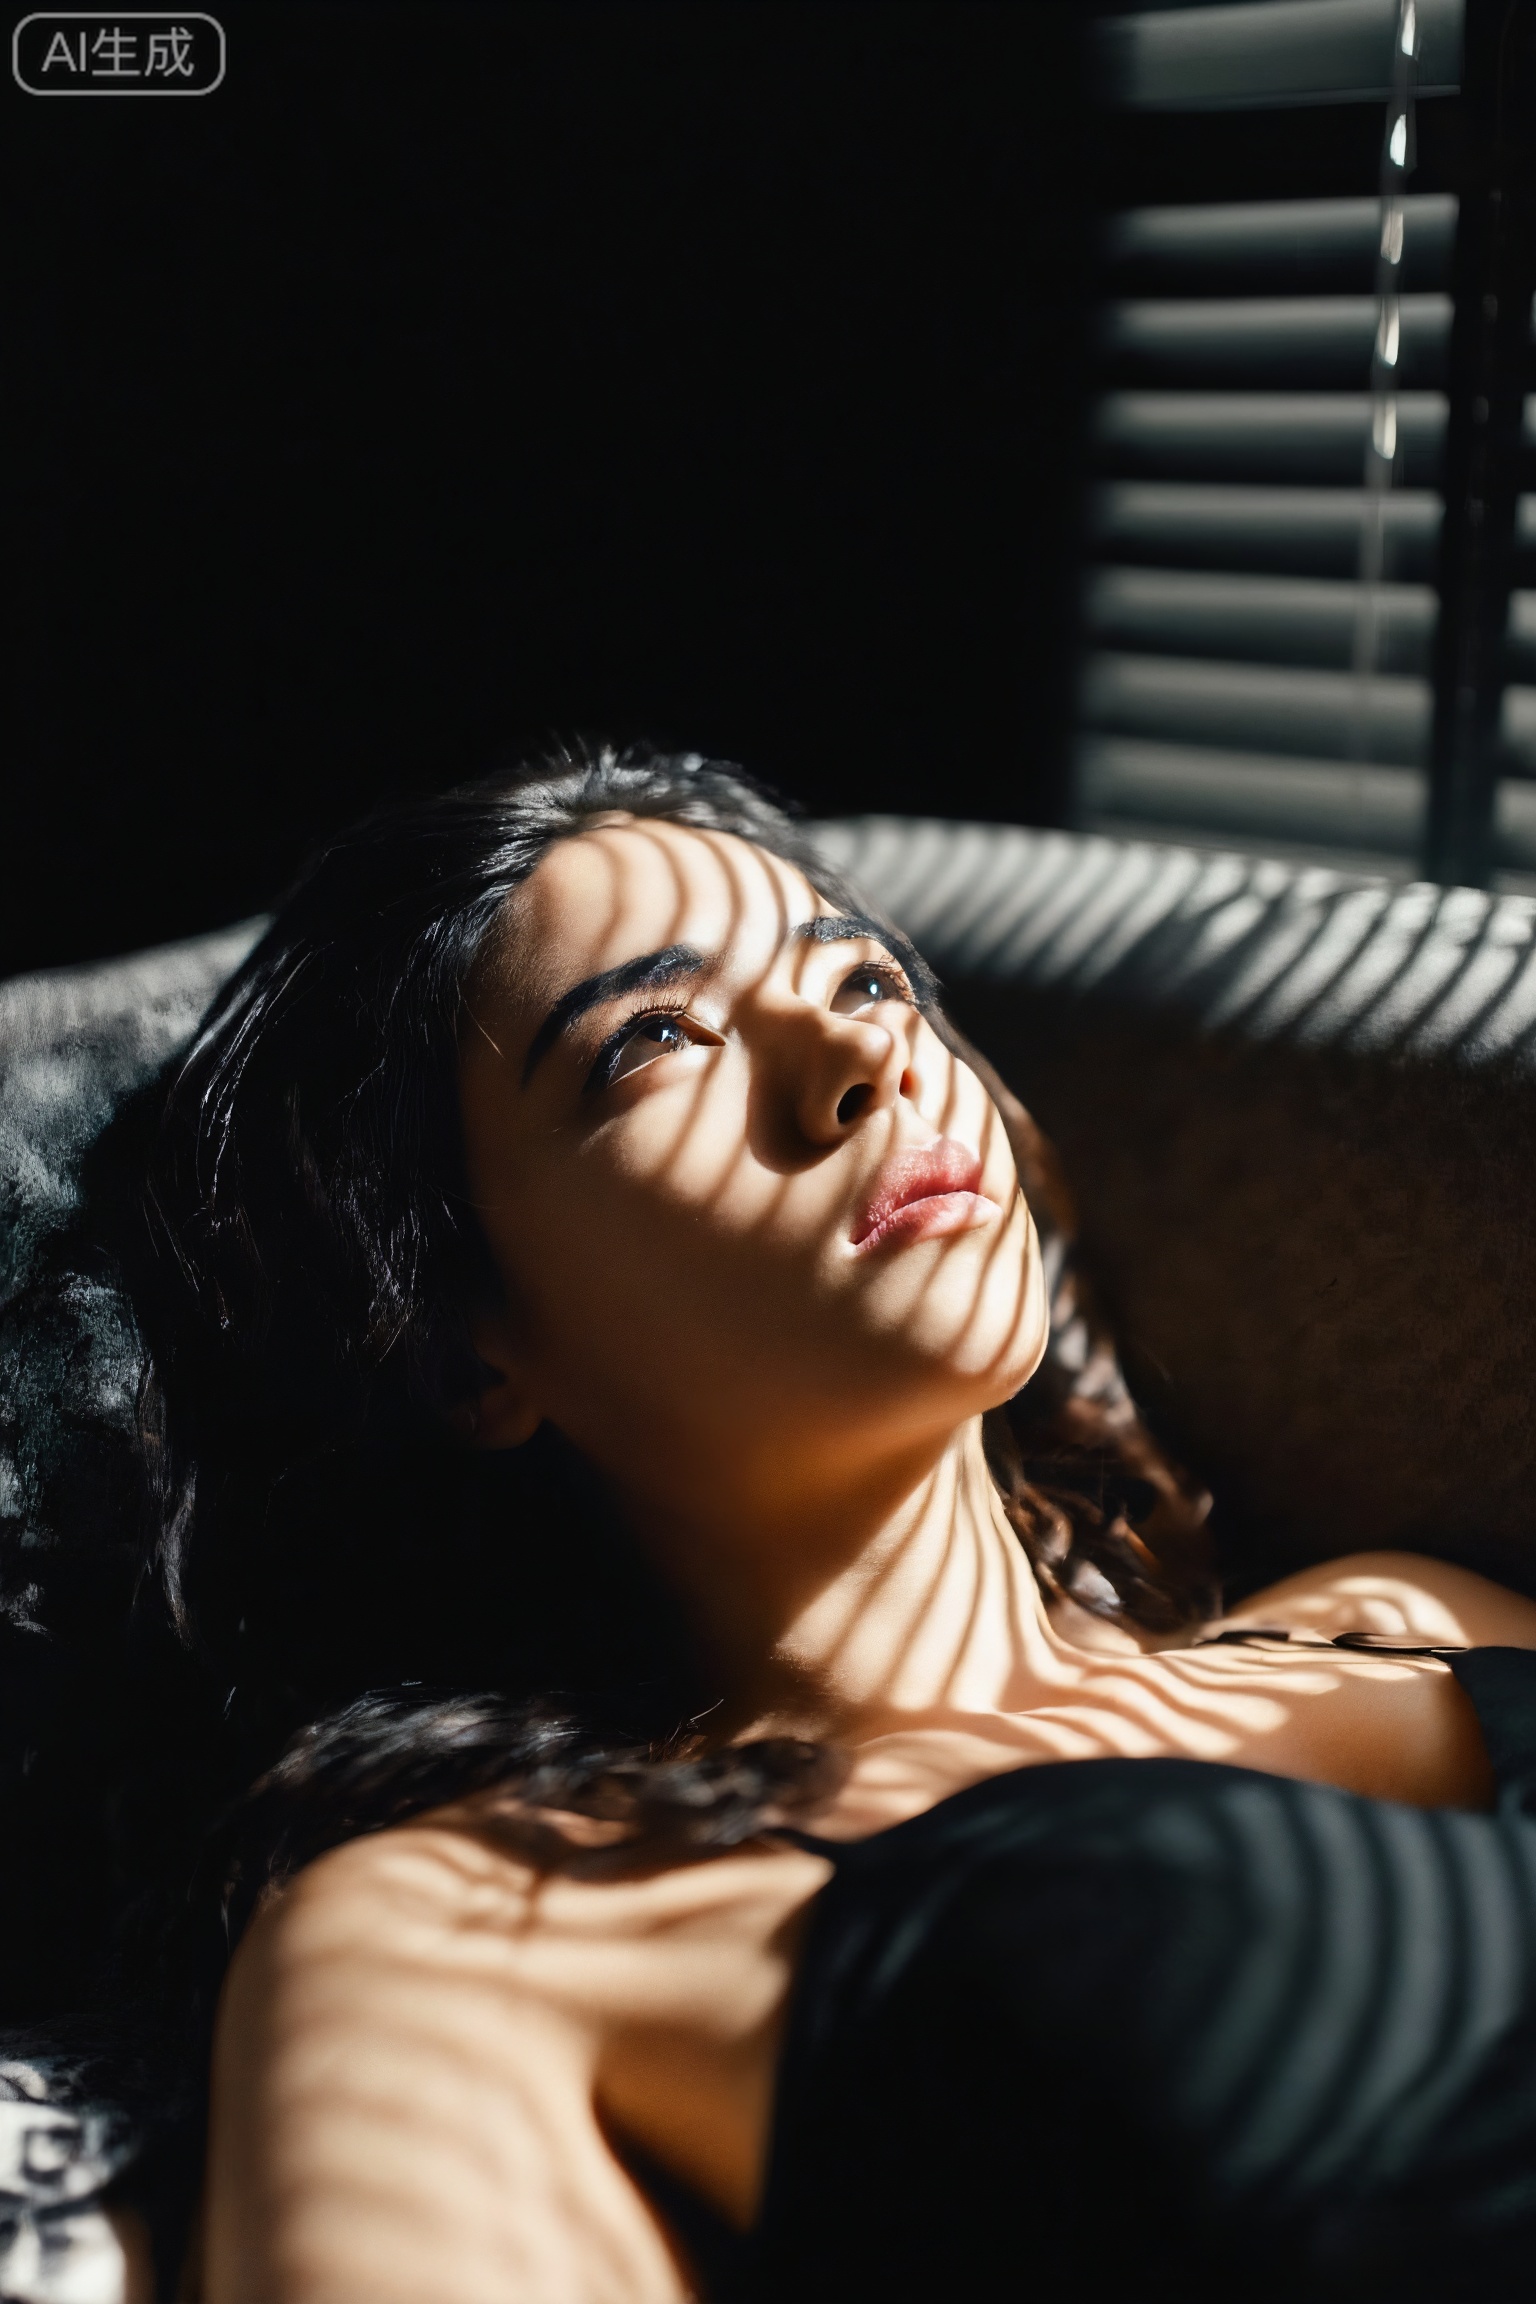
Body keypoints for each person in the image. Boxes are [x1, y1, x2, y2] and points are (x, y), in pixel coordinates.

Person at [81, 750, 1536, 2299]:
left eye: (864, 977)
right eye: (654, 1038)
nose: (857, 1052)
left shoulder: (1399, 1614)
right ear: (466, 1353)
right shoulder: (485, 1928)